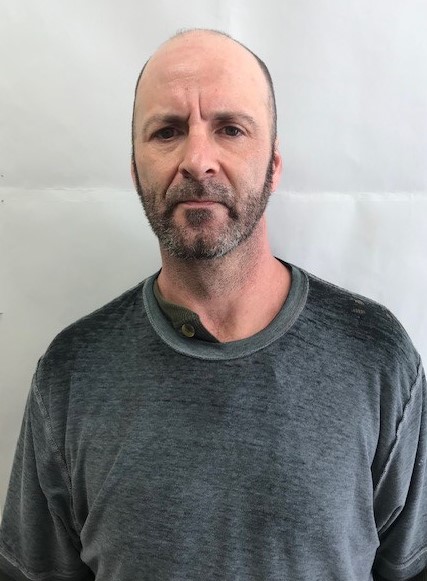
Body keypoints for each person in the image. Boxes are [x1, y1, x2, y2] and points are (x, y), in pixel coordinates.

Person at [0, 28, 426, 581]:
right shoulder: (71, 373)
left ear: (273, 164)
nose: (197, 160)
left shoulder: (376, 359)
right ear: (135, 169)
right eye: (167, 132)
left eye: (230, 129)